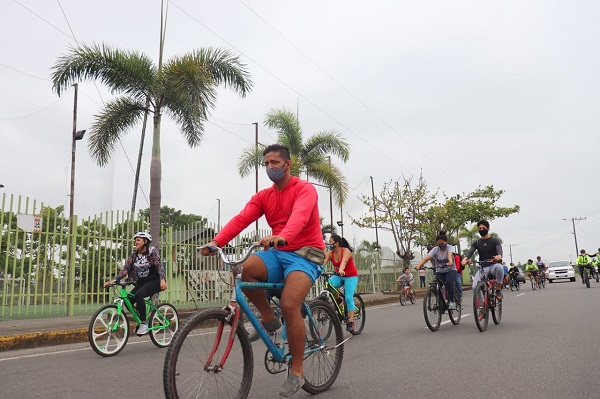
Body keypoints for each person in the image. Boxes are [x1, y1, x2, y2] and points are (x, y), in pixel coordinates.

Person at [201, 144, 325, 397]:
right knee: (245, 268)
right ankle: (269, 319)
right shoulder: (263, 197)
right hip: (277, 253)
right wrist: (217, 241)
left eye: (275, 163)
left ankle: (297, 371)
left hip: (305, 255)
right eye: (266, 163)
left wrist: (282, 236)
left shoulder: (305, 189)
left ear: (287, 165)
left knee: (291, 304)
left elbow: (300, 217)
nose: (270, 167)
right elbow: (241, 218)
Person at [104, 231, 166, 335]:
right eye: (135, 240)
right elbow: (125, 269)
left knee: (139, 295)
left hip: (155, 280)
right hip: (142, 281)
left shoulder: (152, 252)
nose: (136, 242)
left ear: (145, 241)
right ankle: (139, 316)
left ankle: (143, 324)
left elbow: (159, 266)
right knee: (129, 299)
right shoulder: (134, 255)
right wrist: (114, 280)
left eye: (138, 240)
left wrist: (162, 279)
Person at [323, 234, 359, 332]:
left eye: (330, 242)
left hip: (350, 276)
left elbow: (343, 262)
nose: (328, 243)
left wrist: (342, 269)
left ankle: (351, 322)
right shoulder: (330, 253)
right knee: (328, 284)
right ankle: (338, 300)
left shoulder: (346, 251)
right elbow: (323, 263)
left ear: (336, 243)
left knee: (348, 298)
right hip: (339, 275)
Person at [461, 220, 504, 301]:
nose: (481, 230)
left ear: (488, 229)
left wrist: (499, 256)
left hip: (494, 265)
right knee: (474, 287)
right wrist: (465, 259)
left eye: (483, 228)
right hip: (483, 267)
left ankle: (498, 289)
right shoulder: (477, 242)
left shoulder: (495, 240)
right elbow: (470, 251)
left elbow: (499, 249)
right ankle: (482, 304)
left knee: (499, 267)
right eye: (479, 228)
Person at [415, 231, 458, 309]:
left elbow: (450, 255)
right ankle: (440, 302)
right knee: (436, 286)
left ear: (446, 242)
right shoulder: (435, 249)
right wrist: (419, 265)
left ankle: (451, 302)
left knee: (449, 283)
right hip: (440, 271)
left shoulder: (450, 248)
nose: (441, 246)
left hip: (450, 270)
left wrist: (451, 261)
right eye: (439, 244)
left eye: (443, 244)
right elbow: (427, 258)